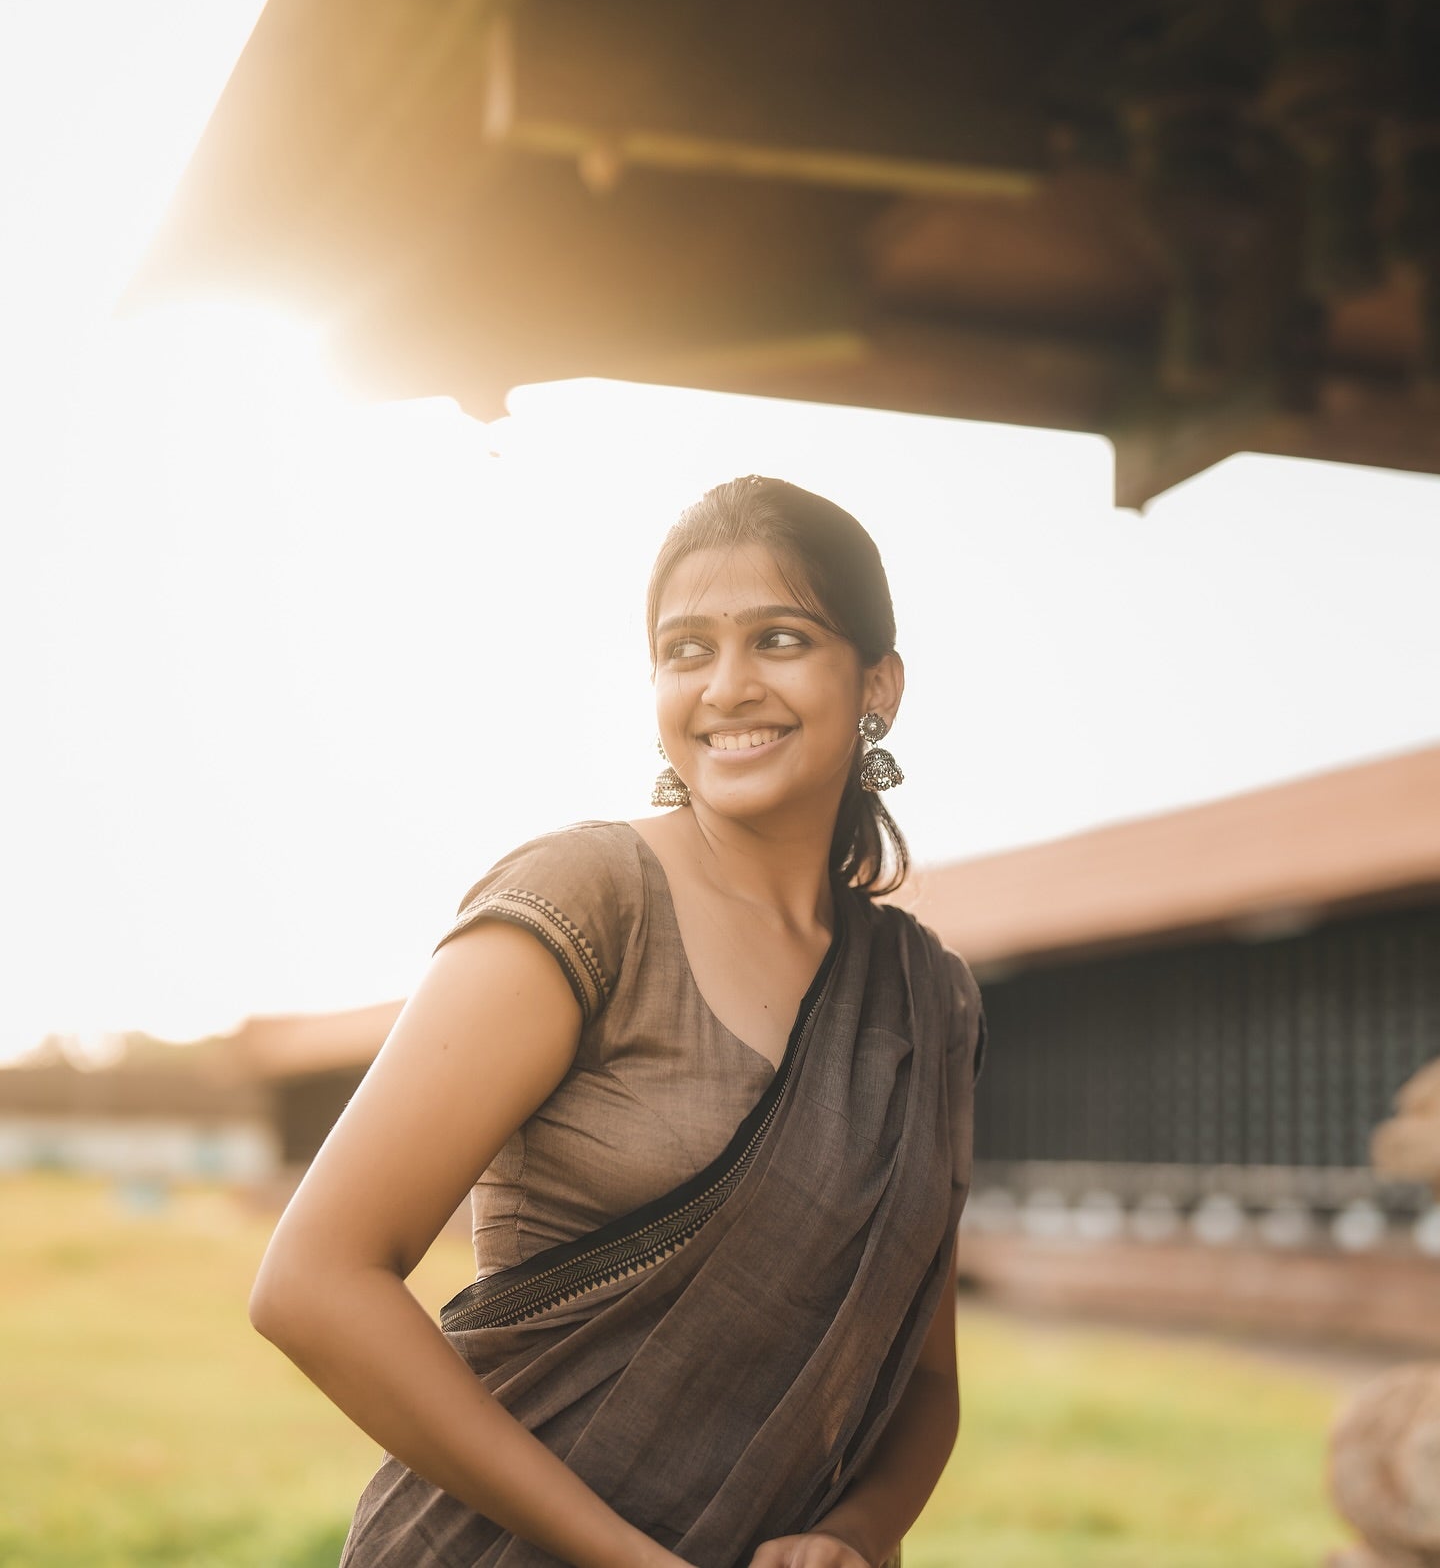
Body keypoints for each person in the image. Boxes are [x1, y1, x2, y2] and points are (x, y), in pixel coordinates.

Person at [250, 474, 987, 1568]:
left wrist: (853, 1531)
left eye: (779, 638)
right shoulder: (591, 897)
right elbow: (313, 1281)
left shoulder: (926, 1001)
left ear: (877, 682)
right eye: (687, 649)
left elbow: (923, 1379)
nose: (728, 685)